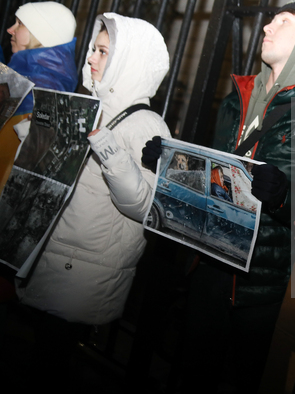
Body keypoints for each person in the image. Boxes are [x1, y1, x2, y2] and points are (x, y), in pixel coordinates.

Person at [142, 1, 295, 392]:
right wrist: (167, 161)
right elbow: (214, 174)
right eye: (271, 18)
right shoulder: (238, 97)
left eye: (284, 21)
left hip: (261, 287)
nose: (267, 27)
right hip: (210, 267)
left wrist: (283, 198)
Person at [13, 13, 171, 389]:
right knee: (42, 358)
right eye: (93, 50)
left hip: (85, 267)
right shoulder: (92, 105)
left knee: (50, 364)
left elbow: (147, 208)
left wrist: (110, 153)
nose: (91, 59)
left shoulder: (148, 125)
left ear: (129, 61)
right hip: (58, 254)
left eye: (103, 52)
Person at [0, 1, 77, 194]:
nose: (10, 30)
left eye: (19, 24)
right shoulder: (21, 75)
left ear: (41, 34)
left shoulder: (42, 89)